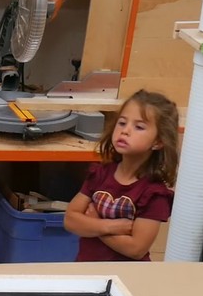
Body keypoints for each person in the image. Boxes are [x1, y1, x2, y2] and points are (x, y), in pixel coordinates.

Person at [64, 89, 180, 261]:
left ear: (158, 142)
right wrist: (109, 226)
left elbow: (136, 249)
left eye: (139, 127)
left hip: (127, 278)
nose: (125, 131)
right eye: (122, 123)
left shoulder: (154, 193)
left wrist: (94, 224)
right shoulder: (100, 173)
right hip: (86, 270)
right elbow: (70, 220)